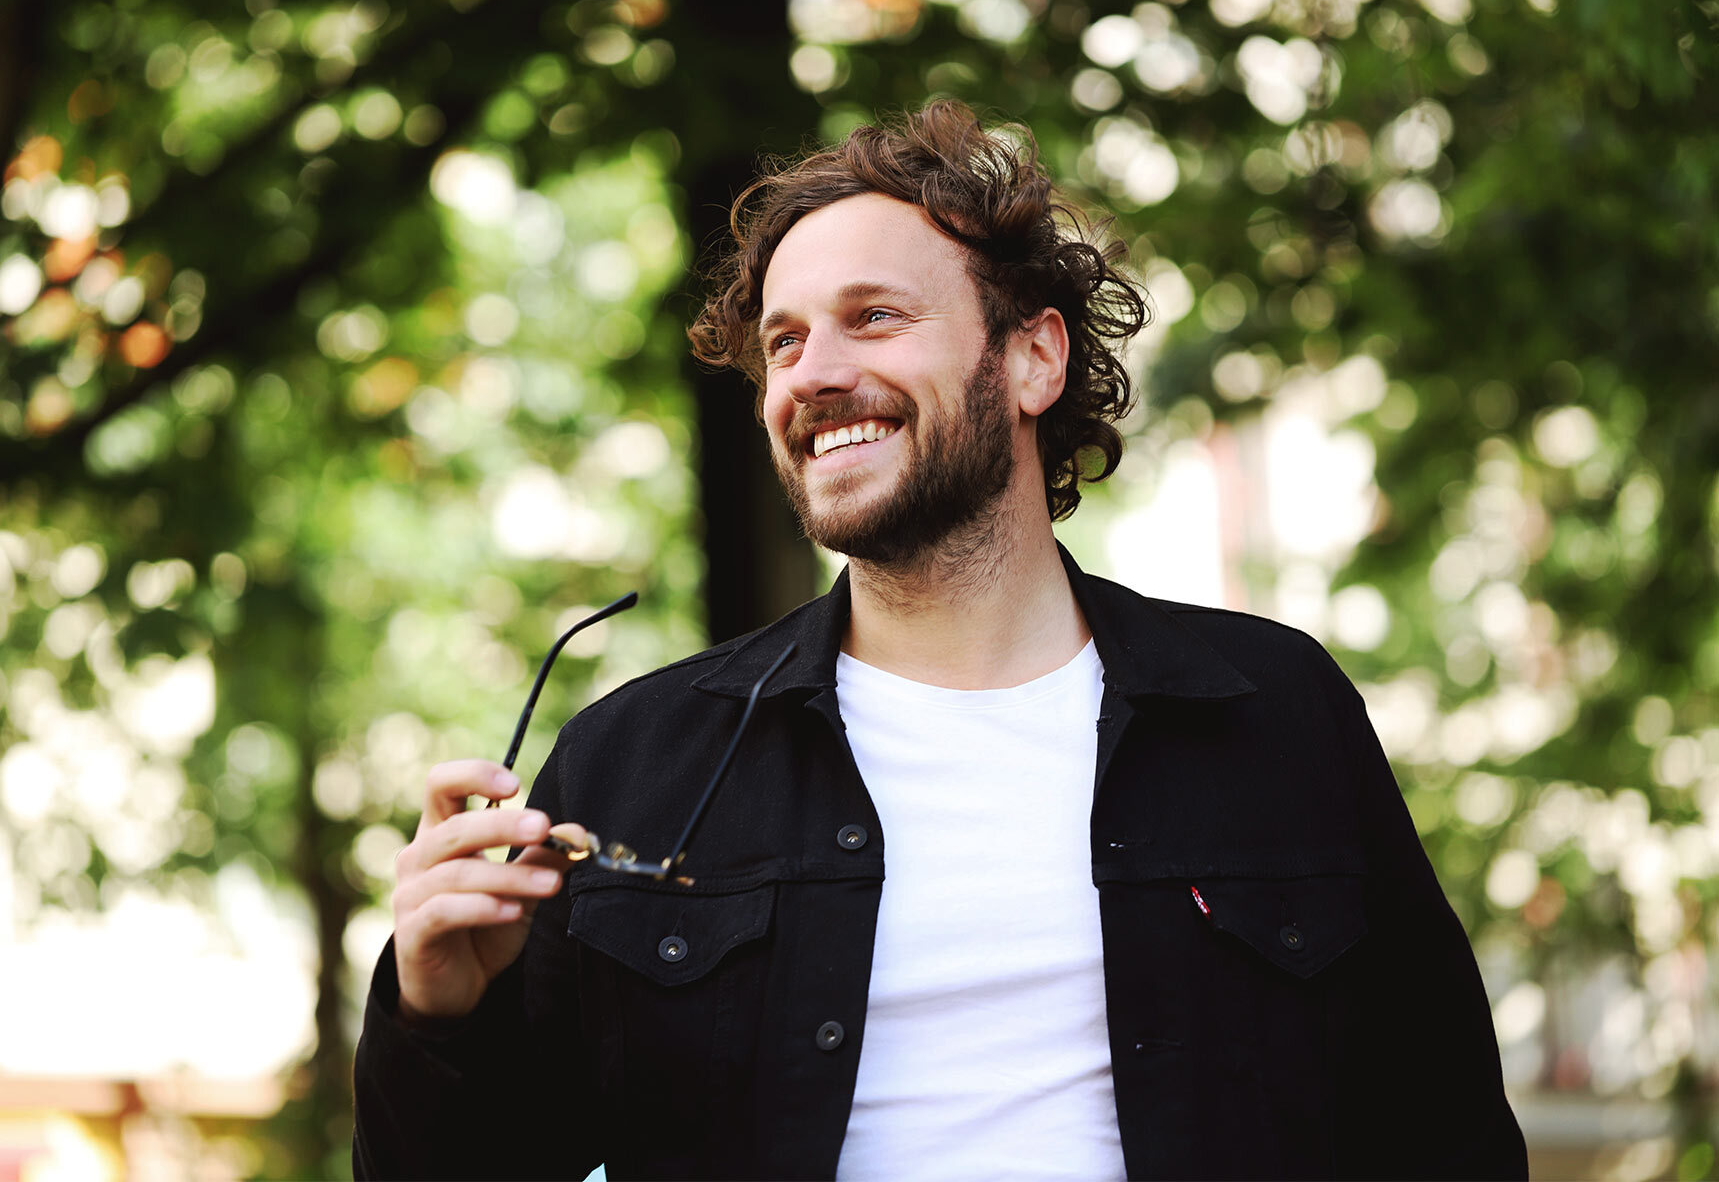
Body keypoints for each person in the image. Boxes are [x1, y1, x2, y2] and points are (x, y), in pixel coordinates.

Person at [353, 100, 1527, 1180]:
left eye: (874, 316)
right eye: (785, 342)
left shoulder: (1274, 712)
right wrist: (433, 1010)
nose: (814, 374)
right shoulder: (632, 761)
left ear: (1032, 357)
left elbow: (1449, 1140)